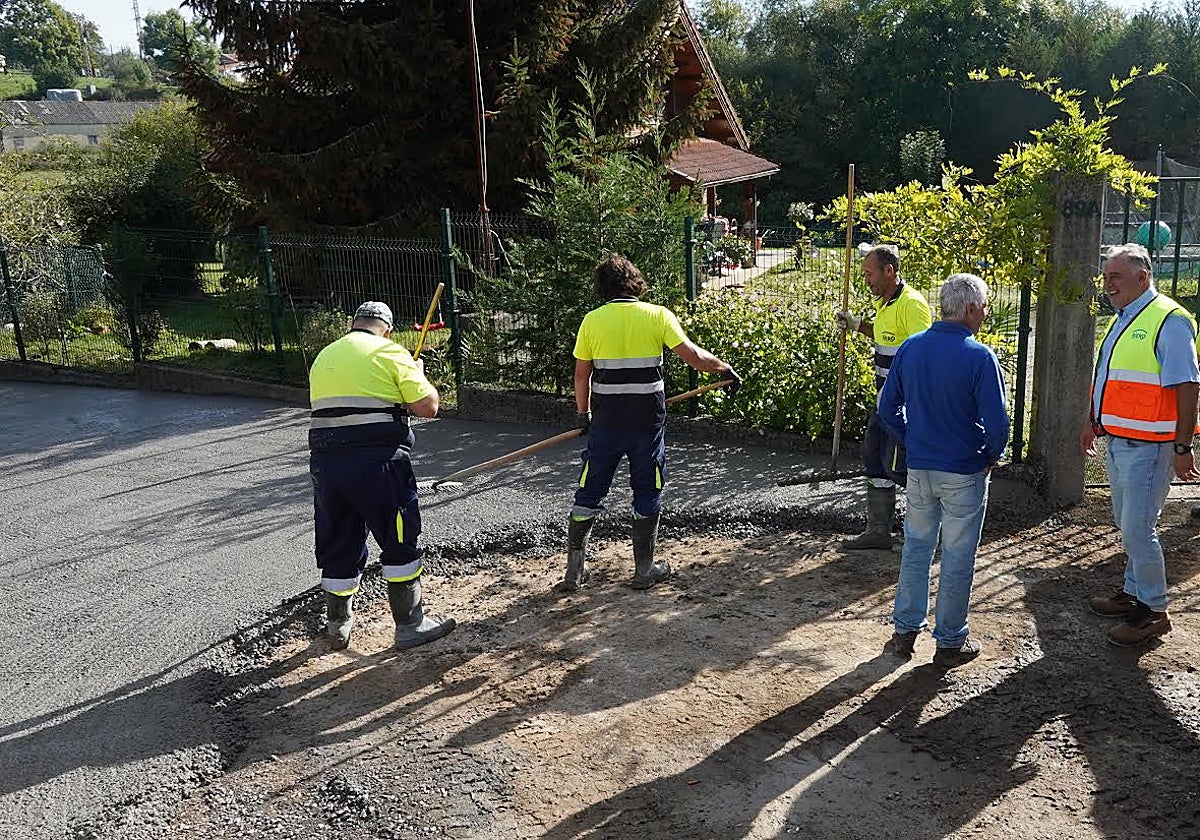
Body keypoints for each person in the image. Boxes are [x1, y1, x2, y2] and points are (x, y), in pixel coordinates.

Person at [564, 254, 742, 590]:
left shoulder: (592, 321)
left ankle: (574, 572)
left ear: (601, 287)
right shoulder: (658, 315)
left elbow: (581, 374)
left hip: (606, 421)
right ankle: (644, 570)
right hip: (647, 422)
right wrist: (723, 369)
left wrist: (582, 414)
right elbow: (692, 355)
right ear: (634, 280)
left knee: (590, 487)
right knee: (647, 487)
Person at [307, 301, 456, 651]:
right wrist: (417, 373)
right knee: (399, 537)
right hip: (379, 463)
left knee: (339, 540)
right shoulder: (391, 352)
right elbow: (428, 407)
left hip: (327, 465)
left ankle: (338, 625)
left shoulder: (324, 356)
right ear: (386, 329)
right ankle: (410, 624)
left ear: (354, 324)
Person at [878, 273, 1009, 669]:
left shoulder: (911, 349)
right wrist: (990, 454)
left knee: (916, 548)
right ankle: (950, 640)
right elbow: (998, 423)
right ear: (969, 309)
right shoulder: (979, 356)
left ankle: (904, 632)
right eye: (984, 307)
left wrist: (910, 438)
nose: (985, 314)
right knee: (957, 553)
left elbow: (887, 406)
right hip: (964, 471)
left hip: (920, 467)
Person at [1081, 243, 1200, 647]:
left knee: (1137, 528)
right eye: (1106, 276)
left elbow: (1188, 385)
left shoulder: (1169, 320)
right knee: (1128, 524)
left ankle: (1153, 610)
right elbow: (1110, 376)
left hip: (1151, 446)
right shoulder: (1124, 317)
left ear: (1142, 277)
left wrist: (1183, 447)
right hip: (1120, 441)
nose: (1107, 283)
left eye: (1115, 276)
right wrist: (1091, 422)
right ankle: (1133, 593)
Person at [836, 244, 933, 550]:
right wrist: (856, 326)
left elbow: (924, 355)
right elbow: (884, 336)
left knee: (901, 467)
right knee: (875, 459)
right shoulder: (886, 303)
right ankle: (879, 531)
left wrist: (909, 403)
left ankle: (923, 535)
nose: (866, 280)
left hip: (904, 405)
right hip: (884, 403)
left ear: (889, 271)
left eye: (869, 273)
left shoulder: (912, 305)